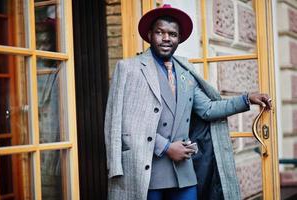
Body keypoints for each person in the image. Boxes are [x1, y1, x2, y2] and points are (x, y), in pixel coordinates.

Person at [104, 4, 272, 200]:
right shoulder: (129, 68)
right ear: (149, 35)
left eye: (173, 34)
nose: (166, 38)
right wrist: (166, 148)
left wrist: (246, 99)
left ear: (179, 38)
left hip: (183, 174)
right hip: (145, 172)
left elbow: (208, 109)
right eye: (160, 32)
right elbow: (123, 122)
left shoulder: (186, 72)